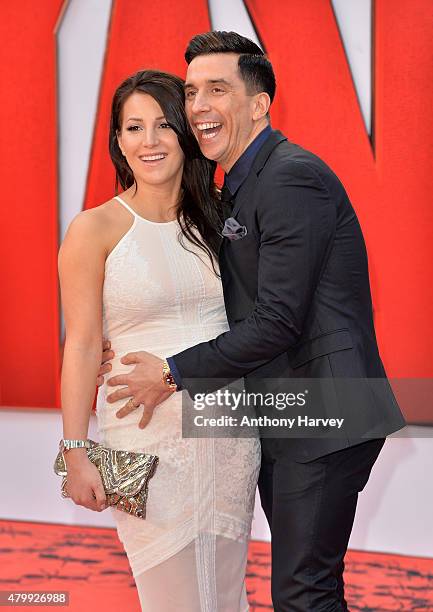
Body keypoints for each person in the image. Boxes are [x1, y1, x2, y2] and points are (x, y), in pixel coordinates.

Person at [100, 33, 406, 611]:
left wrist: (168, 371)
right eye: (191, 93)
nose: (199, 107)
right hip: (283, 418)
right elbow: (221, 305)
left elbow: (277, 322)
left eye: (218, 90)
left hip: (323, 418)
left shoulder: (289, 176)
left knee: (304, 595)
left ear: (260, 104)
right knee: (304, 590)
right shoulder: (236, 186)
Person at [58, 69, 260, 611]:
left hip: (228, 441)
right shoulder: (93, 229)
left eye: (163, 126)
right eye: (133, 128)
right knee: (168, 597)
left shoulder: (222, 221)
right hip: (142, 440)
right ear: (118, 141)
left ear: (186, 133)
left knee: (223, 596)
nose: (148, 142)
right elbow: (80, 345)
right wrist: (76, 452)